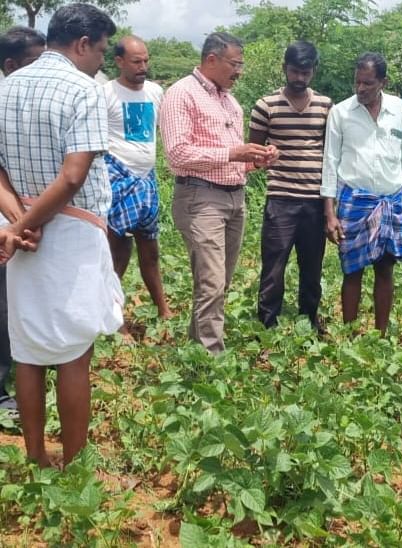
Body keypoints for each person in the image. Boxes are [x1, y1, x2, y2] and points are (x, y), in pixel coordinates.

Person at [0, 3, 121, 467]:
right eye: (102, 51)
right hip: (68, 231)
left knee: (27, 349)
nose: (101, 62)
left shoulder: (8, 87)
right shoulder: (82, 89)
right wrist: (23, 227)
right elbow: (73, 177)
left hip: (22, 233)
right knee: (75, 352)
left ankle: (35, 456)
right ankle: (75, 464)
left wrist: (16, 223)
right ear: (83, 44)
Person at [160, 32, 278, 354]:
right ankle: (213, 361)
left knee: (218, 282)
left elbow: (232, 159)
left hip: (233, 197)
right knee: (211, 283)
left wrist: (255, 159)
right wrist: (233, 154)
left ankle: (195, 349)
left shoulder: (230, 101)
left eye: (241, 64)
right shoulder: (181, 94)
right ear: (212, 59)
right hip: (200, 199)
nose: (239, 71)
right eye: (235, 64)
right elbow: (178, 154)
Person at [322, 52, 402, 336]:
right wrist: (329, 213)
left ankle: (380, 334)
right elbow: (330, 163)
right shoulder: (341, 113)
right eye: (357, 82)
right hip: (354, 201)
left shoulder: (399, 110)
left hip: (392, 199)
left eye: (368, 83)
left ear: (383, 82)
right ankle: (350, 334)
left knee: (385, 268)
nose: (361, 89)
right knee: (352, 270)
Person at [250, 41, 332, 331]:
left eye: (306, 72)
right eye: (295, 71)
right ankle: (267, 323)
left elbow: (330, 153)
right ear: (284, 68)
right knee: (274, 266)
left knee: (312, 266)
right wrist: (264, 159)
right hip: (281, 199)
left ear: (314, 71)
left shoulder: (325, 105)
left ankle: (309, 319)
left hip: (314, 199)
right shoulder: (265, 105)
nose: (299, 78)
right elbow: (252, 155)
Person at [103, 35, 172, 329]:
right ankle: (114, 316)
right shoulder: (105, 93)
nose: (143, 66)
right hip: (117, 176)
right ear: (119, 61)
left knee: (151, 248)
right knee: (117, 253)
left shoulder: (156, 92)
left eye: (146, 60)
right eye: (136, 61)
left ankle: (164, 310)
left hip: (147, 179)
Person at [0, 25, 46, 418]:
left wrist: (21, 221)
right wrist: (19, 221)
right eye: (36, 61)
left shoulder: (35, 104)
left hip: (19, 224)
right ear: (11, 65)